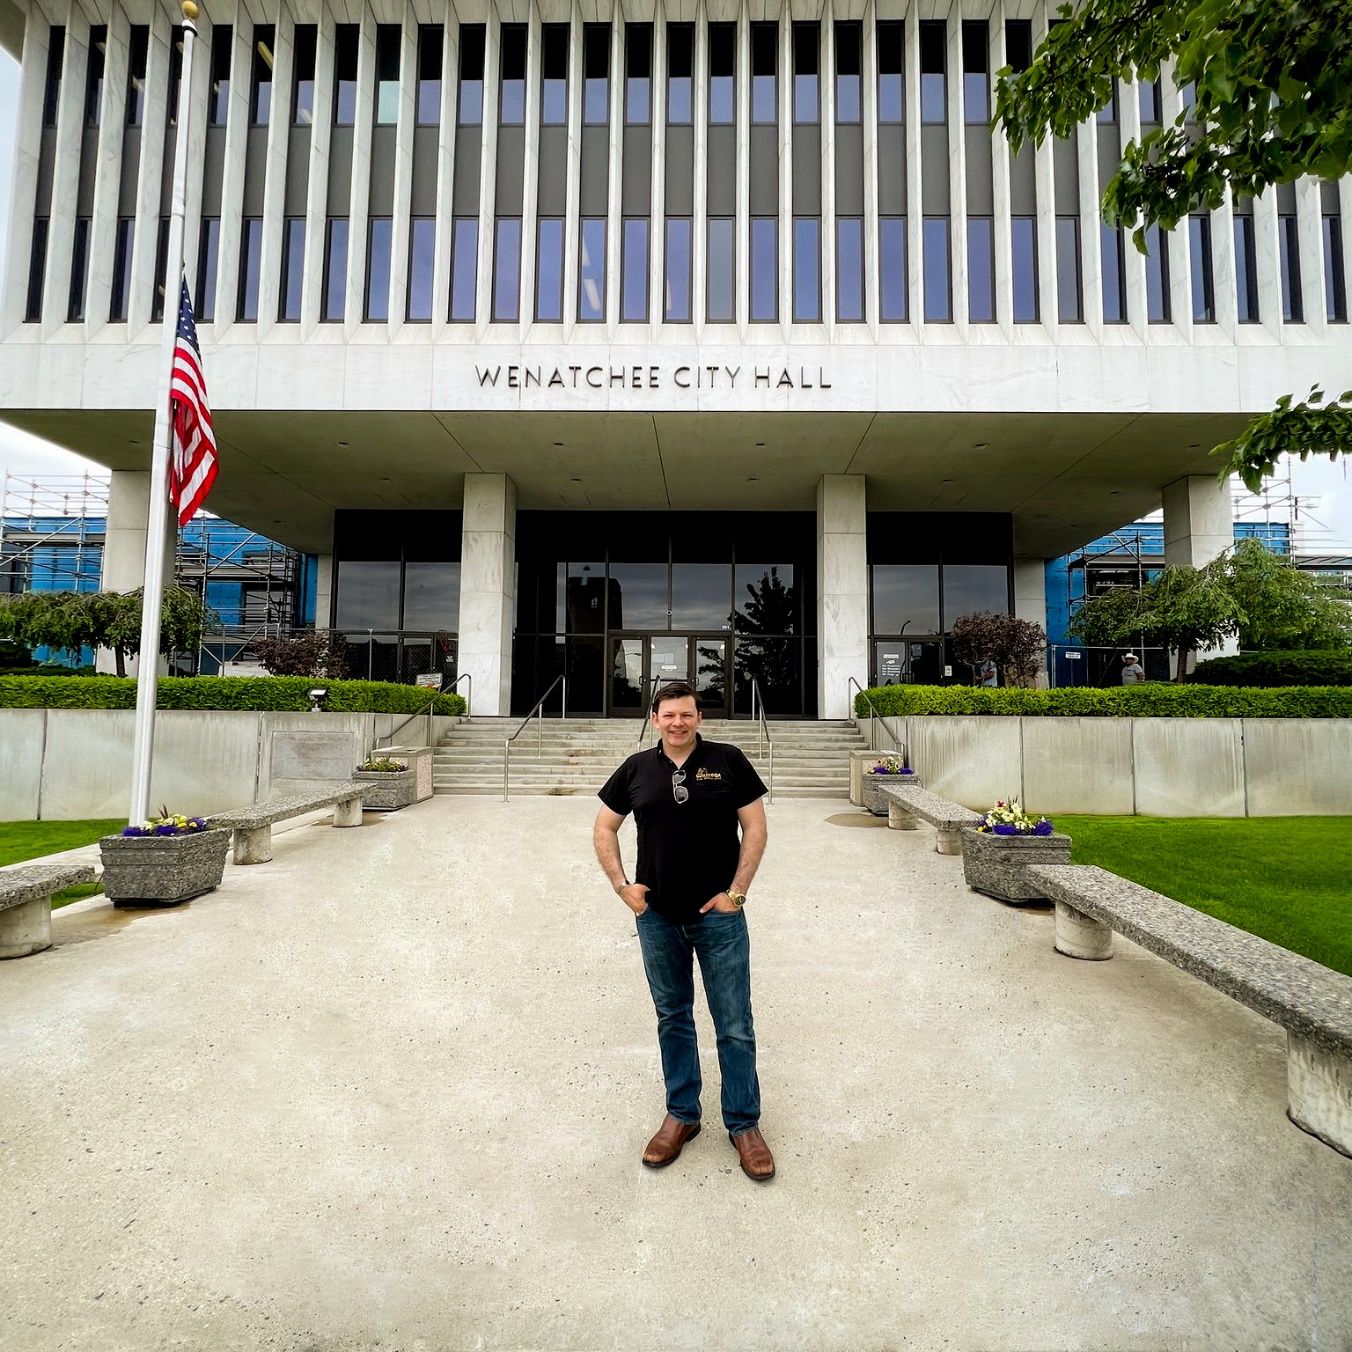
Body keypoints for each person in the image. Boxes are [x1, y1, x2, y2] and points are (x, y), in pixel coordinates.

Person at [593, 681, 774, 1182]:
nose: (678, 722)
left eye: (686, 714)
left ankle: (743, 1124)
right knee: (673, 1016)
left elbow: (755, 829)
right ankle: (682, 1116)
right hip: (657, 920)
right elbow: (604, 827)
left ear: (698, 717)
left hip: (719, 919)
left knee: (734, 1022)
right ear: (655, 719)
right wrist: (621, 886)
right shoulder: (636, 769)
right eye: (669, 715)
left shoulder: (728, 759)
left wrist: (736, 893)